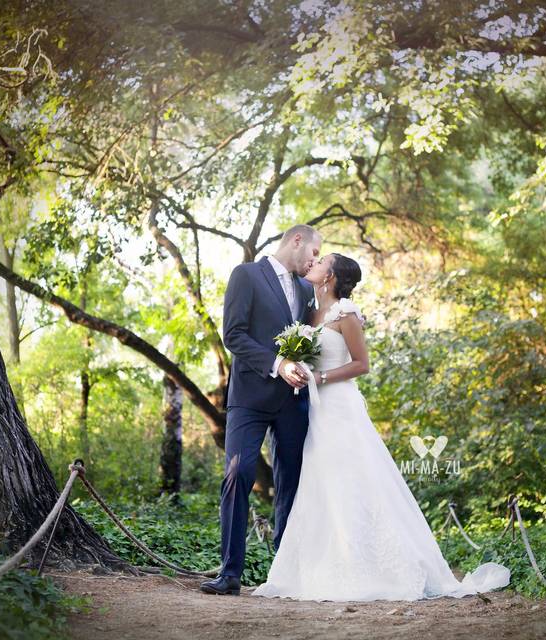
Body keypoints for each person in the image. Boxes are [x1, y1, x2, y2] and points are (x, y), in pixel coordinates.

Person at [251, 253, 511, 601]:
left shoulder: (347, 313)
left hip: (341, 406)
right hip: (316, 410)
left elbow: (362, 365)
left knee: (353, 478)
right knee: (322, 480)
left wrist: (321, 376)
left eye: (321, 261)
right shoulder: (308, 314)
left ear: (331, 276)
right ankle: (323, 566)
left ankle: (372, 567)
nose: (313, 262)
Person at [200, 224, 322, 596]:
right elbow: (233, 334)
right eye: (314, 252)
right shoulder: (247, 275)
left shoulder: (305, 290)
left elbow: (317, 334)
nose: (315, 261)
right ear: (296, 240)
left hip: (293, 403)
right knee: (238, 475)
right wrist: (277, 364)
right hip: (249, 399)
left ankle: (284, 574)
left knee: (291, 484)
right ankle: (230, 573)